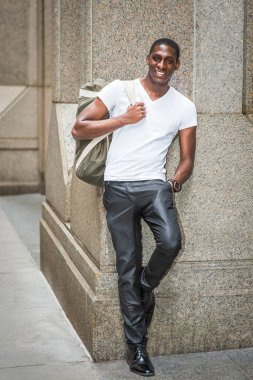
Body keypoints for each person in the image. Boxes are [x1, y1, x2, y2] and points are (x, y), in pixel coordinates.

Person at [72, 38, 197, 377]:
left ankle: (144, 287)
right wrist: (123, 120)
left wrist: (174, 182)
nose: (161, 64)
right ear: (148, 59)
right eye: (156, 58)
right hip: (118, 187)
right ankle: (137, 348)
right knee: (127, 265)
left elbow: (187, 160)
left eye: (168, 60)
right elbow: (79, 127)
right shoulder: (119, 90)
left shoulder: (184, 105)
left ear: (176, 65)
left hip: (155, 187)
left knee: (171, 242)